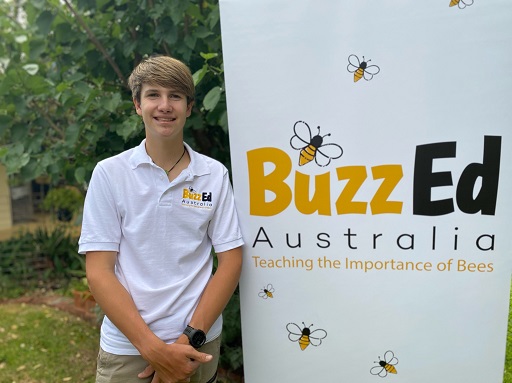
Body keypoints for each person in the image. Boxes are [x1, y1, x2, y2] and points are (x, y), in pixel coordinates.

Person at [78, 55, 244, 383]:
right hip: (128, 348)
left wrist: (186, 340)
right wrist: (154, 350)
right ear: (137, 104)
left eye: (176, 96)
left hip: (198, 342)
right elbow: (98, 272)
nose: (165, 105)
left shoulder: (213, 174)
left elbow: (231, 262)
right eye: (153, 94)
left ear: (190, 107)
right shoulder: (110, 174)